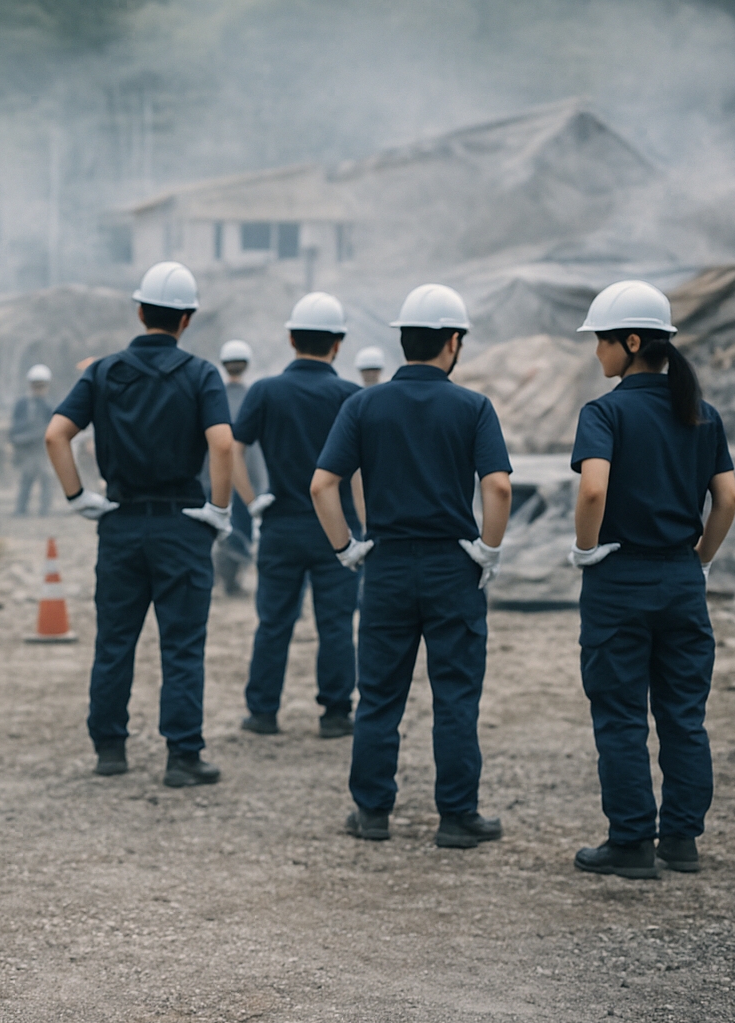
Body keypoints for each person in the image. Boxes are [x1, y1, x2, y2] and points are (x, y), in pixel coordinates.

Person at [312, 283, 514, 850]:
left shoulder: (363, 405)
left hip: (388, 568)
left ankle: (373, 813)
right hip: (455, 567)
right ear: (453, 341)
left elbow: (323, 483)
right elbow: (497, 486)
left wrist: (346, 547)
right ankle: (456, 818)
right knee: (455, 695)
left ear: (403, 341)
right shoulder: (474, 407)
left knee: (379, 695)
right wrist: (489, 550)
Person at [566, 281, 735, 878]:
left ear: (632, 342)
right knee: (683, 716)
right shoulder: (703, 413)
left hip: (619, 579)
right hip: (681, 581)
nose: (596, 353)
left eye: (602, 341)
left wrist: (586, 550)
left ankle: (632, 842)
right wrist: (702, 559)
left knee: (619, 715)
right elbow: (728, 497)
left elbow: (593, 488)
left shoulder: (605, 412)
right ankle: (682, 841)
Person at [44, 261, 234, 786]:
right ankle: (182, 756)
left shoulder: (103, 372)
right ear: (187, 319)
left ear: (140, 310)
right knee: (181, 645)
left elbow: (56, 435)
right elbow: (222, 443)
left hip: (121, 524)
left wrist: (79, 496)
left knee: (115, 641)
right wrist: (219, 509)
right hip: (182, 525)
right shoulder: (201, 375)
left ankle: (110, 749)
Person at [231, 292, 363, 739]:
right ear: (338, 343)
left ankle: (263, 712)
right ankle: (336, 714)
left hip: (280, 525)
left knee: (274, 622)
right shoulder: (350, 395)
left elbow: (234, 448)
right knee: (336, 624)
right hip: (337, 530)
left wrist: (253, 500)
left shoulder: (264, 392)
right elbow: (361, 469)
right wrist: (363, 526)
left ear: (291, 338)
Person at [212, 340, 266, 596]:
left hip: (213, 477)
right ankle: (232, 583)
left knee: (217, 528)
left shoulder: (212, 396)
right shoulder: (254, 397)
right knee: (240, 529)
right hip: (248, 479)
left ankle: (220, 581)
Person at [11, 364, 55, 515]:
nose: (39, 389)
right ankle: (21, 510)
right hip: (28, 449)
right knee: (26, 479)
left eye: (41, 386)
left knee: (46, 479)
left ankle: (44, 511)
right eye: (36, 386)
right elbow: (15, 427)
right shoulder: (23, 405)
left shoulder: (48, 406)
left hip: (42, 449)